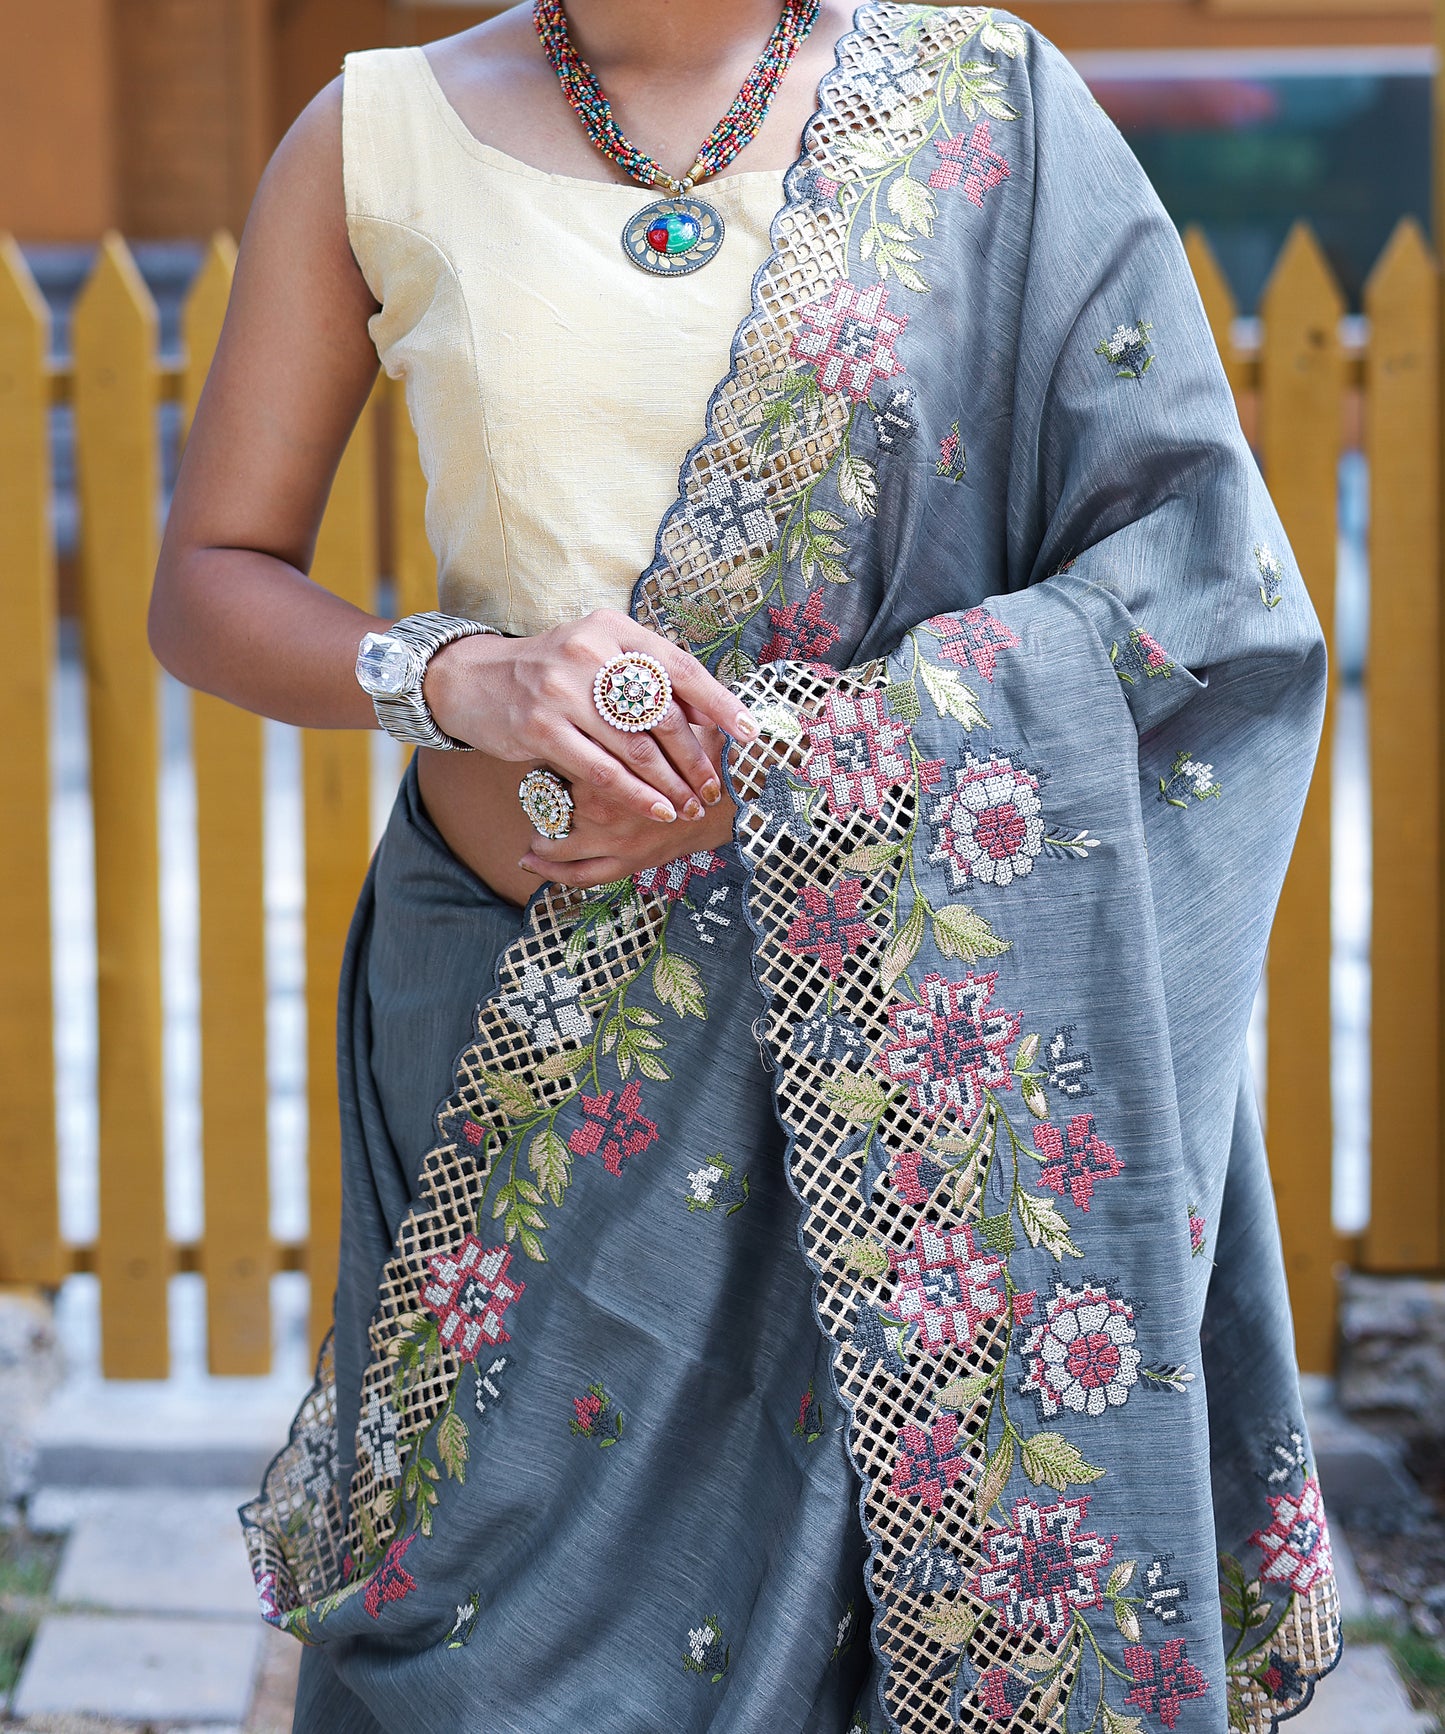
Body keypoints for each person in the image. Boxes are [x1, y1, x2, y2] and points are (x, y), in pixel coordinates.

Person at [147, 3, 1343, 1730]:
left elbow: (1197, 586)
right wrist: (459, 676)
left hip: (911, 1037)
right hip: (518, 1011)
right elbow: (213, 576)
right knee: (488, 1648)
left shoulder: (981, 107)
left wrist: (804, 765)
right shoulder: (373, 131)